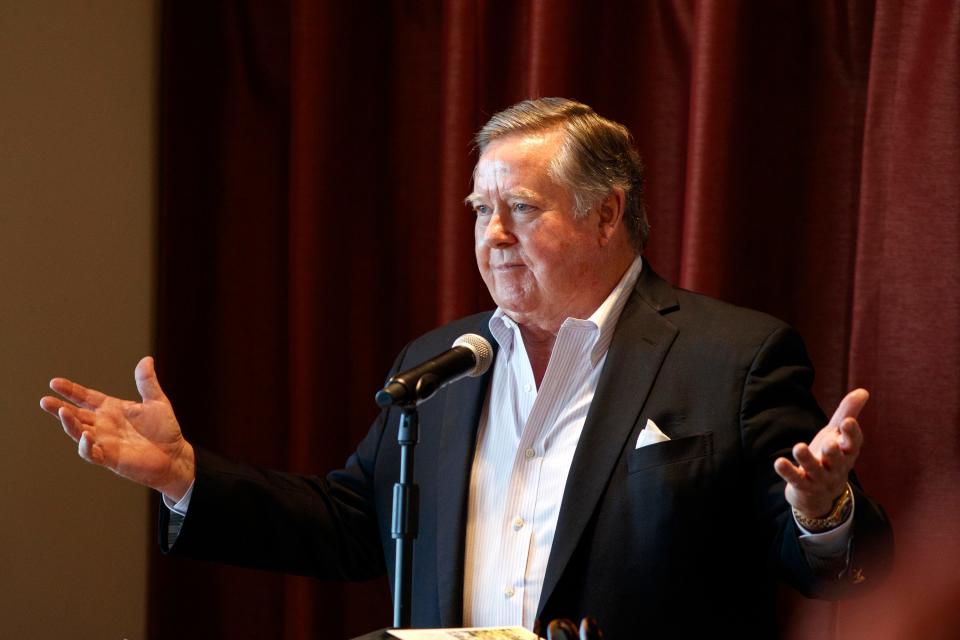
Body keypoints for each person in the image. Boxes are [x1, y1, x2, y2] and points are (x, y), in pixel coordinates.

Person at [41, 98, 892, 637]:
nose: (490, 236)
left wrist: (822, 511)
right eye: (480, 209)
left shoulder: (733, 356)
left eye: (519, 209)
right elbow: (353, 526)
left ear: (607, 215)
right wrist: (187, 476)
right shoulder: (442, 364)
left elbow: (831, 570)